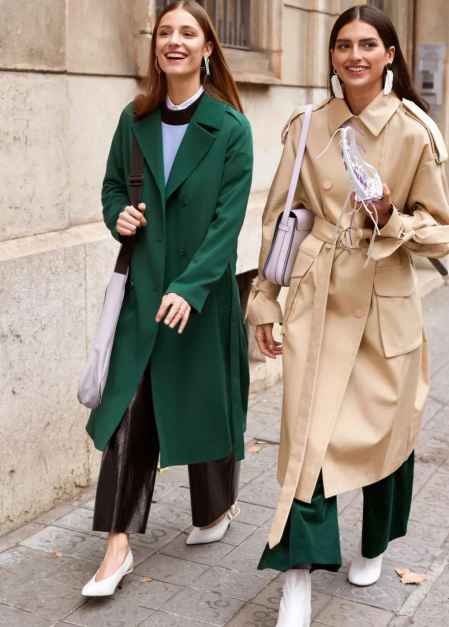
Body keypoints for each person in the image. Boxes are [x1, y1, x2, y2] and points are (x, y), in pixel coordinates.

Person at [246, 5, 449, 626]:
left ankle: (375, 541)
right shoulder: (308, 126)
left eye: (367, 44)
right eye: (343, 45)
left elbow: (441, 230)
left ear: (390, 55)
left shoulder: (414, 132)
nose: (354, 55)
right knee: (308, 437)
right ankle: (298, 574)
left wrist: (391, 216)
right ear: (332, 56)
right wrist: (264, 298)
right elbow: (280, 218)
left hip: (384, 304)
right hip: (318, 299)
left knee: (386, 432)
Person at [82, 0, 253, 597]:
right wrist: (119, 216)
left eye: (187, 32)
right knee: (130, 411)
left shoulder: (231, 128)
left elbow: (228, 222)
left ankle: (215, 505)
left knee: (205, 406)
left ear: (207, 48)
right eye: (164, 32)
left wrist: (192, 286)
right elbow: (111, 188)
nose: (174, 41)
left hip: (201, 298)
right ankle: (117, 546)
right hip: (143, 292)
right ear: (155, 47)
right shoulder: (135, 120)